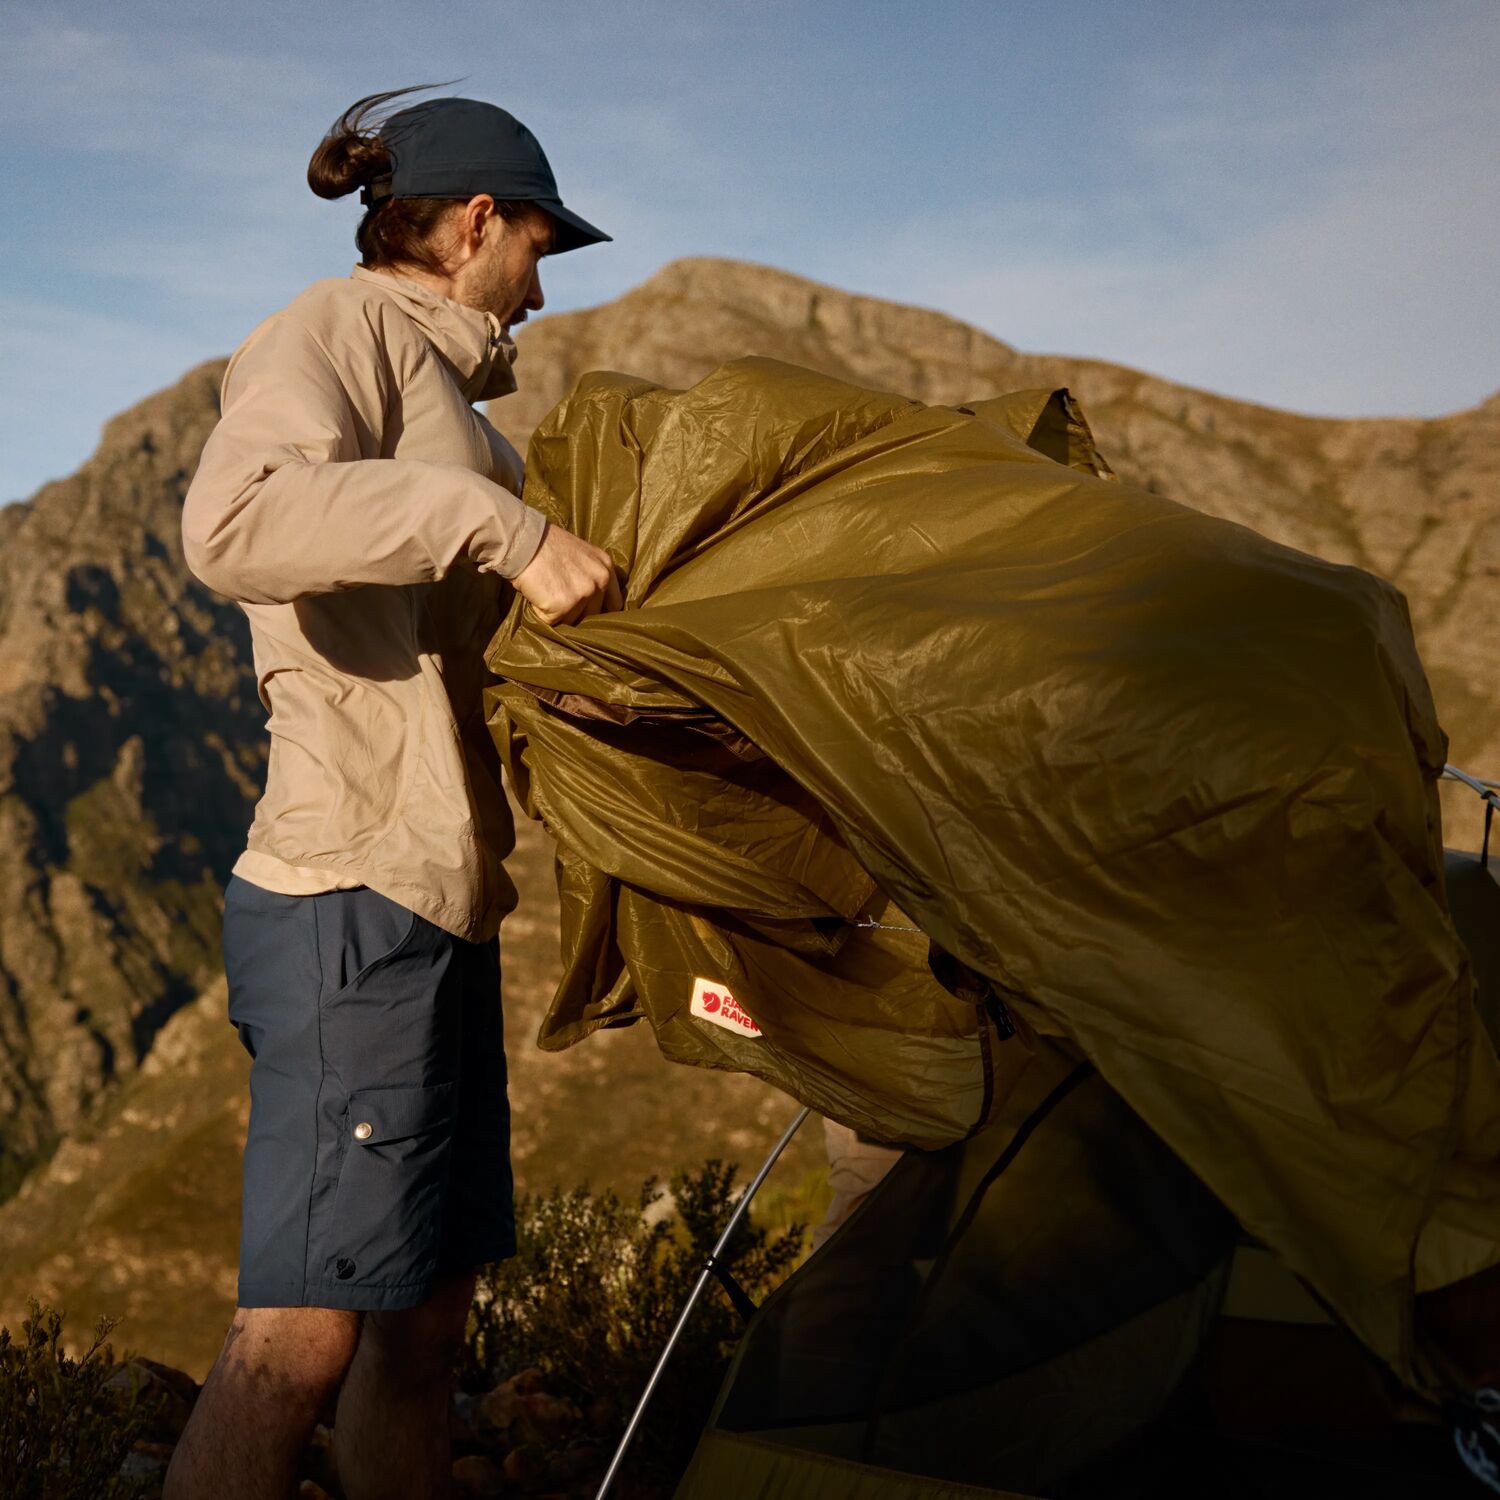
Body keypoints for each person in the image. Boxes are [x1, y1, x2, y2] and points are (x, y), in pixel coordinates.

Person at [165, 88, 617, 1500]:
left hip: (440, 900)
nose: (544, 287)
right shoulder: (333, 331)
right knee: (299, 1335)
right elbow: (235, 525)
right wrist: (505, 526)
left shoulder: (457, 416)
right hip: (345, 894)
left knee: (424, 1323)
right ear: (478, 220)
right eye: (542, 246)